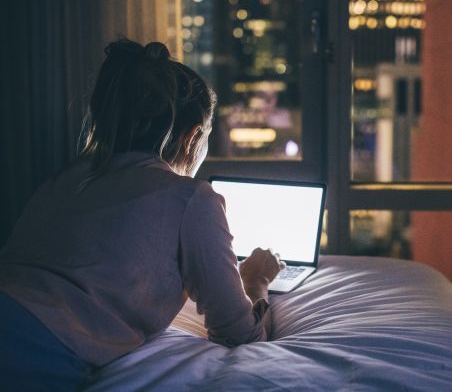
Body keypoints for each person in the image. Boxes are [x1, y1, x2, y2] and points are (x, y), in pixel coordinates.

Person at [0, 38, 285, 391]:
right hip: (32, 347)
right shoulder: (190, 197)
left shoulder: (61, 181)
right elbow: (240, 335)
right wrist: (255, 279)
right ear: (191, 138)